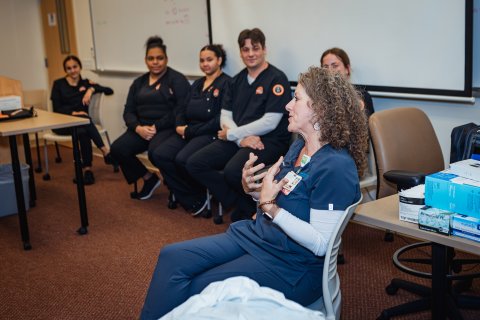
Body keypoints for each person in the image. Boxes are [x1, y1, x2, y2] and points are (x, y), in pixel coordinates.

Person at [139, 66, 369, 319]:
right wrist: (254, 191)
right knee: (172, 257)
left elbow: (321, 244)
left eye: (297, 99)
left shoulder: (335, 166)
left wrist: (270, 206)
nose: (288, 106)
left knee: (198, 287)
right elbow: (283, 198)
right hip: (260, 236)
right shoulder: (300, 148)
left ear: (320, 109)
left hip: (291, 265)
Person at [186, 28, 291, 222]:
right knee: (195, 163)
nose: (250, 54)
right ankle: (239, 202)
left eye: (255, 48)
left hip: (269, 140)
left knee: (234, 171)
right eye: (245, 49)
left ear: (264, 49)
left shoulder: (277, 79)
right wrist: (240, 138)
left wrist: (234, 134)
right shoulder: (236, 81)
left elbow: (270, 121)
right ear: (240, 52)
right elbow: (224, 116)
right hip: (240, 138)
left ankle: (245, 211)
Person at [152, 44, 231, 214]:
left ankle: (196, 198)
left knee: (182, 159)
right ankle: (187, 193)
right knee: (160, 154)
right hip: (187, 130)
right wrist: (179, 125)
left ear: (219, 60)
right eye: (202, 60)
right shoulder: (197, 83)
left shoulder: (227, 83)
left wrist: (189, 131)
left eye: (209, 60)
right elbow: (181, 107)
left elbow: (219, 119)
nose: (205, 64)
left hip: (208, 133)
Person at [110, 36, 190, 200]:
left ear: (166, 59)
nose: (155, 62)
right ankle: (149, 179)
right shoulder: (138, 82)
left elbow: (181, 109)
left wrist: (157, 126)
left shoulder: (177, 80)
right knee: (118, 149)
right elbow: (128, 111)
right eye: (151, 58)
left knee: (156, 153)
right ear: (145, 60)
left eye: (159, 58)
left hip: (166, 128)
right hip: (141, 129)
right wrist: (138, 128)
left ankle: (175, 186)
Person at [50, 55, 114, 185]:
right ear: (65, 70)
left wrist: (91, 89)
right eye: (69, 68)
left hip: (81, 124)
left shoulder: (85, 83)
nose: (73, 70)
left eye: (75, 67)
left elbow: (109, 90)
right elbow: (56, 109)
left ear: (80, 67)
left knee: (83, 129)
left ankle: (87, 170)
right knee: (84, 120)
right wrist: (74, 113)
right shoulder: (58, 84)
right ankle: (105, 151)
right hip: (62, 124)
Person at [320, 47, 374, 117]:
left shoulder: (362, 96)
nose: (329, 71)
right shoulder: (317, 98)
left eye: (335, 66)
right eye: (325, 67)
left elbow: (368, 126)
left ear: (347, 69)